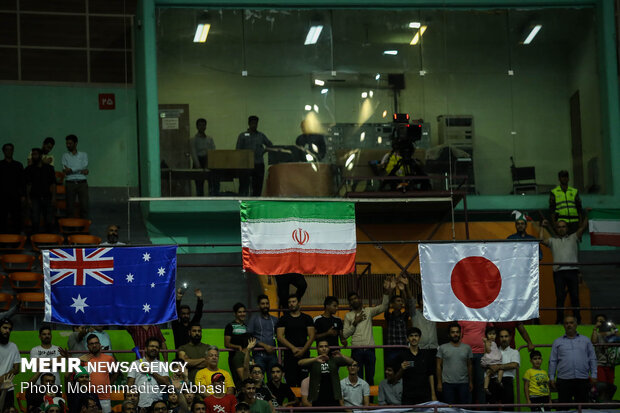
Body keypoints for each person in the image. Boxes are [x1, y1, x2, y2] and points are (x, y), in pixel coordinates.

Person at [343, 280, 394, 385]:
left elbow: (384, 307)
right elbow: (344, 334)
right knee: (359, 379)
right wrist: (355, 323)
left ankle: (369, 401)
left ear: (360, 299)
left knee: (370, 377)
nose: (354, 301)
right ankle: (361, 401)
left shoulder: (368, 311)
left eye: (355, 298)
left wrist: (385, 292)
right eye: (351, 300)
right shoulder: (348, 316)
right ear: (350, 303)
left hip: (370, 350)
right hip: (356, 350)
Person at [540, 217, 589, 324]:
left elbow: (583, 227)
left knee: (575, 297)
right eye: (559, 227)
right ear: (556, 229)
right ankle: (559, 321)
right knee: (560, 298)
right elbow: (541, 240)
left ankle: (578, 320)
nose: (561, 229)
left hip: (572, 271)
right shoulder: (553, 241)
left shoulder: (573, 237)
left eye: (563, 227)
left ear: (567, 228)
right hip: (558, 273)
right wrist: (542, 226)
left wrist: (586, 214)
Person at [548, 316, 597, 405]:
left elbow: (592, 358)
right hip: (563, 380)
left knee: (582, 408)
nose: (569, 325)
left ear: (576, 324)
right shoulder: (557, 342)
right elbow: (553, 360)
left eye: (571, 323)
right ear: (563, 326)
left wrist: (594, 374)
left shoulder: (586, 340)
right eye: (566, 323)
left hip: (582, 379)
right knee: (564, 408)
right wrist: (551, 377)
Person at [298, 339, 353, 407]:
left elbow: (351, 362)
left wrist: (341, 355)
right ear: (317, 349)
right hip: (317, 396)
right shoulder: (313, 361)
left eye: (326, 346)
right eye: (321, 347)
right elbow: (300, 363)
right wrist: (315, 359)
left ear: (328, 348)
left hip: (333, 395)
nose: (324, 348)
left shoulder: (334, 360)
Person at [276, 294, 315, 387]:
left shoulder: (307, 318)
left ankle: (303, 401)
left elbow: (312, 336)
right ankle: (293, 401)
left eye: (293, 301)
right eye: (289, 302)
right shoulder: (283, 319)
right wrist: (293, 348)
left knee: (304, 382)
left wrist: (303, 351)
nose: (291, 304)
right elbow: (280, 336)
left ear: (299, 303)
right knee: (291, 382)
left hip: (304, 355)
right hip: (289, 355)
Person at [395, 327, 436, 405]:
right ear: (407, 339)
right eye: (411, 336)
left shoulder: (426, 355)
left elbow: (430, 375)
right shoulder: (402, 355)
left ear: (419, 338)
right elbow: (396, 379)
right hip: (408, 396)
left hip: (425, 395)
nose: (414, 338)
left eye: (416, 336)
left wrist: (433, 394)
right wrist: (401, 369)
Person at [127, 337, 171, 409]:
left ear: (159, 350)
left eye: (157, 347)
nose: (154, 348)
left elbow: (166, 383)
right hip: (140, 404)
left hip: (157, 405)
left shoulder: (162, 365)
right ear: (145, 348)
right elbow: (130, 384)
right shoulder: (135, 364)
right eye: (152, 346)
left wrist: (151, 372)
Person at [79, 334, 118, 413]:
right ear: (88, 346)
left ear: (100, 345)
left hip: (105, 398)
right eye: (91, 344)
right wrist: (79, 360)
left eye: (96, 343)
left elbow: (116, 373)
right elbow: (76, 377)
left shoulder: (109, 358)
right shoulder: (84, 359)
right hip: (89, 399)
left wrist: (109, 385)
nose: (94, 345)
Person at [436, 322, 473, 404]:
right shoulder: (442, 348)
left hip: (463, 383)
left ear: (460, 333)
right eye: (453, 332)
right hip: (447, 384)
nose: (455, 334)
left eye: (457, 332)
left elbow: (469, 366)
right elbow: (438, 366)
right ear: (449, 334)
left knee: (463, 409)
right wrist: (439, 382)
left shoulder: (467, 348)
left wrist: (470, 382)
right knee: (449, 409)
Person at [236, 115, 273, 196]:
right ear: (249, 124)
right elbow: (238, 151)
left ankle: (256, 203)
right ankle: (243, 203)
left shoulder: (261, 135)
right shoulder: (243, 136)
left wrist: (263, 151)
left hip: (258, 163)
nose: (254, 125)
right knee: (244, 186)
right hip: (246, 165)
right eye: (252, 123)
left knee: (257, 186)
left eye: (256, 123)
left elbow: (270, 145)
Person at [247, 294, 278, 380]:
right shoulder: (254, 319)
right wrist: (265, 346)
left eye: (267, 303)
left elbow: (279, 336)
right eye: (263, 304)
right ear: (258, 305)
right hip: (258, 355)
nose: (265, 306)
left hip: (273, 355)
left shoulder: (275, 320)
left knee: (273, 379)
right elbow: (249, 336)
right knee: (258, 379)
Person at [487, 329, 520, 409]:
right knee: (492, 409)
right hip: (493, 381)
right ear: (498, 338)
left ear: (510, 338)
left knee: (508, 409)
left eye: (506, 336)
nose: (504, 339)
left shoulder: (514, 352)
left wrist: (498, 367)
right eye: (501, 337)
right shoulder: (492, 351)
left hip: (507, 381)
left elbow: (514, 364)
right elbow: (487, 364)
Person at [25, 147, 56, 234]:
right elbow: (28, 185)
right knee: (35, 220)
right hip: (35, 197)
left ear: (41, 156)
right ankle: (35, 241)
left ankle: (49, 241)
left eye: (35, 154)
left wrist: (54, 197)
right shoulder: (29, 169)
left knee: (49, 220)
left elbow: (53, 183)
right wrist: (28, 199)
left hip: (47, 197)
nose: (33, 156)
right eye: (32, 155)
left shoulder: (49, 168)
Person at [384, 286, 414, 368]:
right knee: (391, 369)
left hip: (403, 348)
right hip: (391, 349)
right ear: (392, 304)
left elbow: (407, 305)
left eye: (401, 301)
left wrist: (403, 290)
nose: (400, 303)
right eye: (398, 301)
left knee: (405, 370)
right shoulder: (389, 316)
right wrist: (391, 290)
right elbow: (386, 305)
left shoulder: (404, 316)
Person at [458, 320, 488, 404]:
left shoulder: (483, 316)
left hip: (481, 354)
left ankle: (482, 409)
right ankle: (467, 408)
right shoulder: (463, 317)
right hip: (465, 353)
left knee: (481, 382)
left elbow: (490, 332)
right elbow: (459, 336)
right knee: (467, 383)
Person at [591, 314, 619, 401]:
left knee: (610, 386)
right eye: (599, 321)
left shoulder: (612, 333)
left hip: (611, 364)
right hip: (600, 364)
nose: (601, 322)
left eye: (602, 321)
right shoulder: (597, 334)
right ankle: (599, 403)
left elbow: (619, 338)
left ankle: (607, 403)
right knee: (601, 386)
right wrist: (595, 328)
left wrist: (615, 328)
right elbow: (593, 341)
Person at [62, 134, 89, 218]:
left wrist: (71, 169)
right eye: (67, 143)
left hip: (82, 183)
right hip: (70, 183)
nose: (68, 145)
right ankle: (70, 228)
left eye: (70, 143)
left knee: (84, 207)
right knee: (69, 208)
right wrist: (80, 170)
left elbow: (84, 166)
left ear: (76, 143)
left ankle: (83, 229)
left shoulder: (84, 155)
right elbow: (65, 171)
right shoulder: (65, 156)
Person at [0, 143, 25, 233]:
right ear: (3, 151)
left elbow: (22, 182)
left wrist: (22, 195)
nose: (9, 151)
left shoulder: (18, 165)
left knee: (16, 218)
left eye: (11, 149)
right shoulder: (0, 165)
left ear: (13, 151)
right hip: (2, 196)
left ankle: (16, 241)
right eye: (7, 149)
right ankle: (2, 241)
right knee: (2, 218)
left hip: (16, 196)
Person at [224, 302, 251, 387]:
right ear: (235, 314)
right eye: (239, 312)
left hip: (246, 356)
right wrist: (237, 347)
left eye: (243, 312)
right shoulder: (230, 326)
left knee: (248, 379)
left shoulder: (247, 327)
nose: (242, 314)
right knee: (239, 382)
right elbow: (226, 344)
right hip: (234, 357)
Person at [549, 170, 584, 234]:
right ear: (559, 179)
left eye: (566, 176)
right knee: (562, 242)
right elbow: (552, 209)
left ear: (568, 178)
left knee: (574, 242)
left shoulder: (574, 191)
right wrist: (554, 224)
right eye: (562, 177)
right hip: (561, 223)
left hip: (574, 222)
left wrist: (580, 223)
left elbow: (579, 208)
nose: (564, 178)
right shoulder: (554, 192)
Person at [190, 118, 217, 196]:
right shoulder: (193, 139)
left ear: (206, 126)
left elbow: (213, 150)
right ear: (197, 127)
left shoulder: (209, 139)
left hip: (208, 161)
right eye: (200, 125)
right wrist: (198, 166)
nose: (202, 127)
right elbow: (193, 153)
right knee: (199, 186)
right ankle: (200, 203)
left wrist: (209, 163)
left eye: (203, 125)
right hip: (198, 162)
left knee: (211, 185)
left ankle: (211, 203)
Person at [0, 318, 20, 410]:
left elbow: (16, 369)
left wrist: (2, 378)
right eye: (4, 328)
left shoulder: (13, 346)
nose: (7, 331)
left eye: (9, 329)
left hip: (8, 388)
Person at [480, 326, 503, 396]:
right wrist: (486, 342)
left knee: (498, 370)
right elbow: (488, 350)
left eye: (494, 334)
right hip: (490, 359)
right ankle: (486, 387)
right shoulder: (488, 342)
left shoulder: (495, 343)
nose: (492, 336)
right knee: (489, 373)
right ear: (486, 335)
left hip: (495, 359)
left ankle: (498, 381)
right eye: (490, 334)